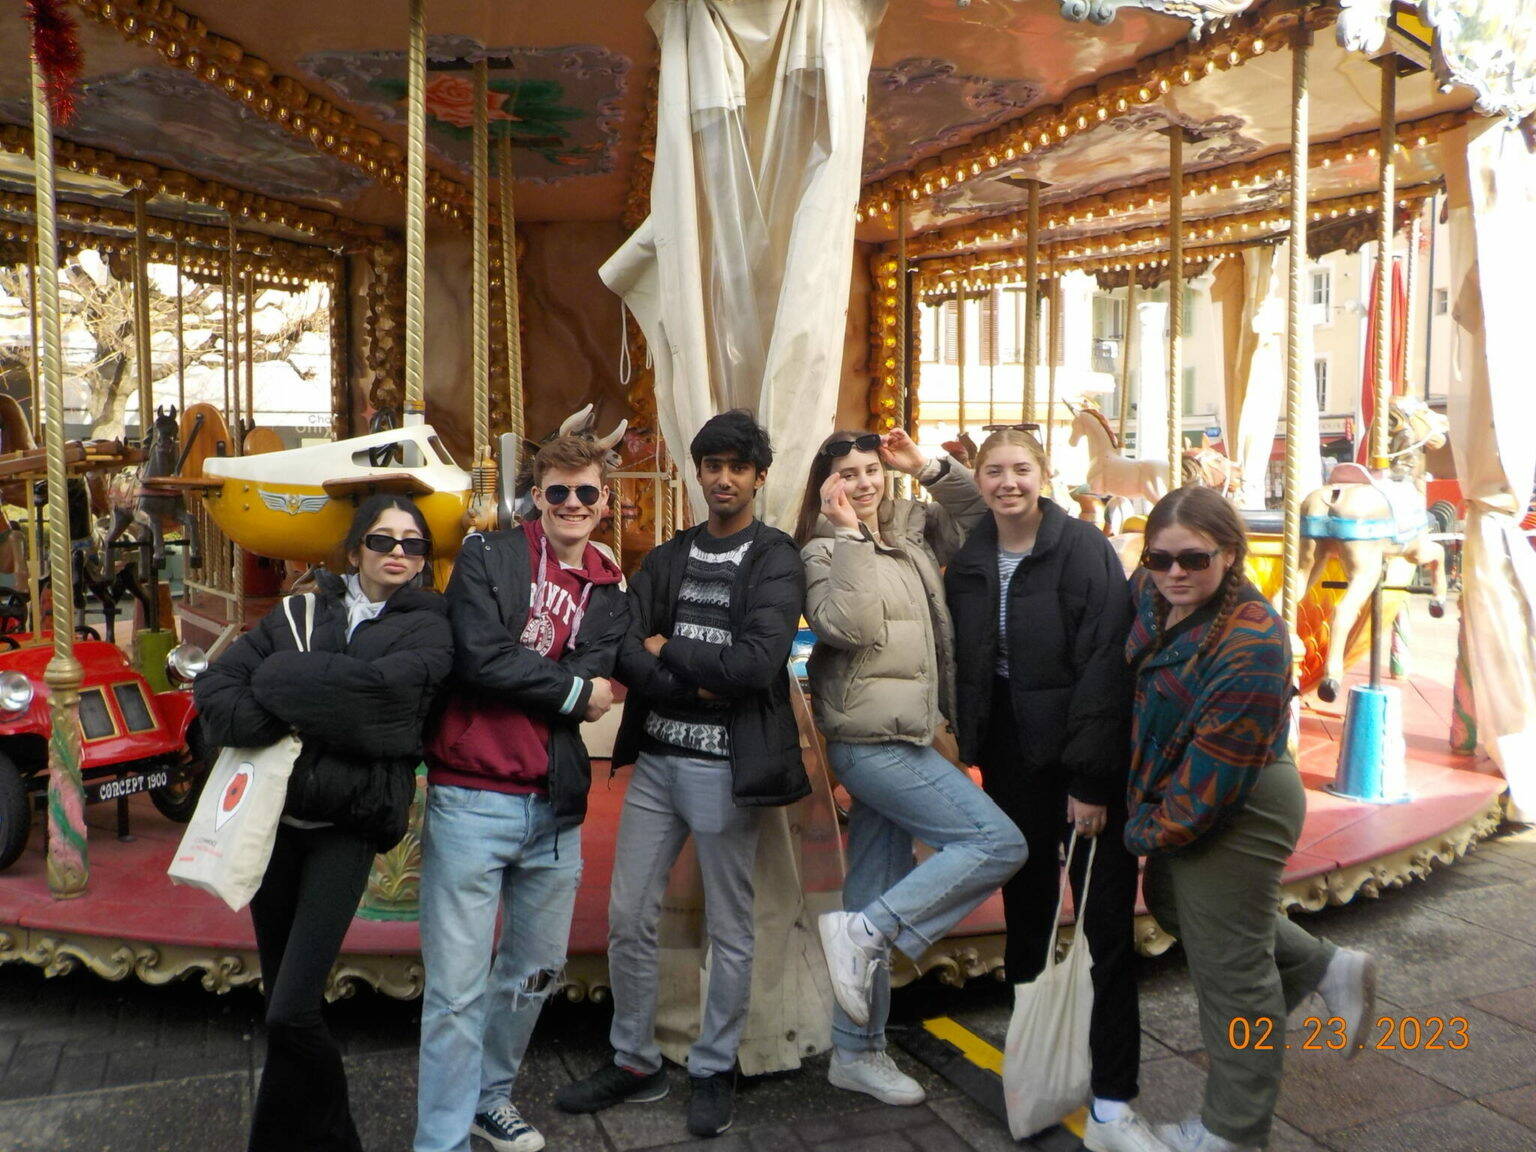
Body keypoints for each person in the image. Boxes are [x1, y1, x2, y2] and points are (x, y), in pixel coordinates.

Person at [556, 409, 807, 1139]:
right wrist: (691, 681)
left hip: (726, 769)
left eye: (737, 467)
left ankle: (714, 1063)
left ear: (759, 476)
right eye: (712, 466)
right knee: (628, 915)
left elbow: (756, 664)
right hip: (659, 764)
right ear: (697, 474)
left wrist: (670, 653)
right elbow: (622, 645)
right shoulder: (669, 557)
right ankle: (634, 1059)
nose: (723, 479)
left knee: (730, 925)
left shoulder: (775, 558)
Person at [194, 494, 453, 1152]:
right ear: (356, 548)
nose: (398, 552)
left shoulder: (430, 626)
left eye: (413, 543)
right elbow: (219, 696)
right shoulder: (299, 612)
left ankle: (340, 1140)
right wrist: (315, 699)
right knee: (283, 1007)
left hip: (348, 826)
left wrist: (280, 680)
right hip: (277, 823)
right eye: (383, 539)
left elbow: (386, 711)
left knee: (291, 1009)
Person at [1127, 486, 1376, 1152]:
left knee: (1233, 974)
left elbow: (1208, 786)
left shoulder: (1253, 640)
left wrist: (1134, 831)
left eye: (1194, 559)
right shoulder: (1152, 594)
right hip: (1188, 790)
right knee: (1172, 902)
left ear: (1230, 554)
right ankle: (1323, 966)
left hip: (1238, 802)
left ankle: (1233, 1131)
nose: (1175, 572)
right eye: (1159, 558)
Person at [944, 428, 1162, 1152]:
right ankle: (1035, 1066)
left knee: (1104, 925)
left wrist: (1092, 780)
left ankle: (1113, 1098)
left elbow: (1105, 666)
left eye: (1020, 469)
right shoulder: (972, 556)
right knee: (1027, 914)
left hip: (1080, 756)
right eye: (994, 471)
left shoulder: (1082, 550)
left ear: (1044, 474)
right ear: (978, 479)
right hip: (1011, 756)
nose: (1007, 483)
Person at [797, 427, 1026, 1106]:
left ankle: (856, 1051)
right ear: (826, 485)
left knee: (873, 885)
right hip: (869, 741)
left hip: (912, 732)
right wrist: (850, 537)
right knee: (995, 842)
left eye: (871, 470)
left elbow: (988, 519)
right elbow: (850, 627)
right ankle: (866, 933)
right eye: (847, 473)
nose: (863, 483)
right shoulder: (820, 549)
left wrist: (928, 468)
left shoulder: (912, 527)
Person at [414, 434, 630, 1152]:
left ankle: (489, 1098)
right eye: (558, 491)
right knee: (456, 989)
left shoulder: (609, 587)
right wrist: (568, 688)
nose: (573, 504)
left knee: (535, 972)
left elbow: (599, 679)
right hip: (472, 795)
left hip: (555, 804)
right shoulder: (488, 555)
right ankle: (441, 1140)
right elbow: (479, 657)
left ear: (603, 501)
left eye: (586, 492)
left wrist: (545, 677)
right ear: (537, 497)